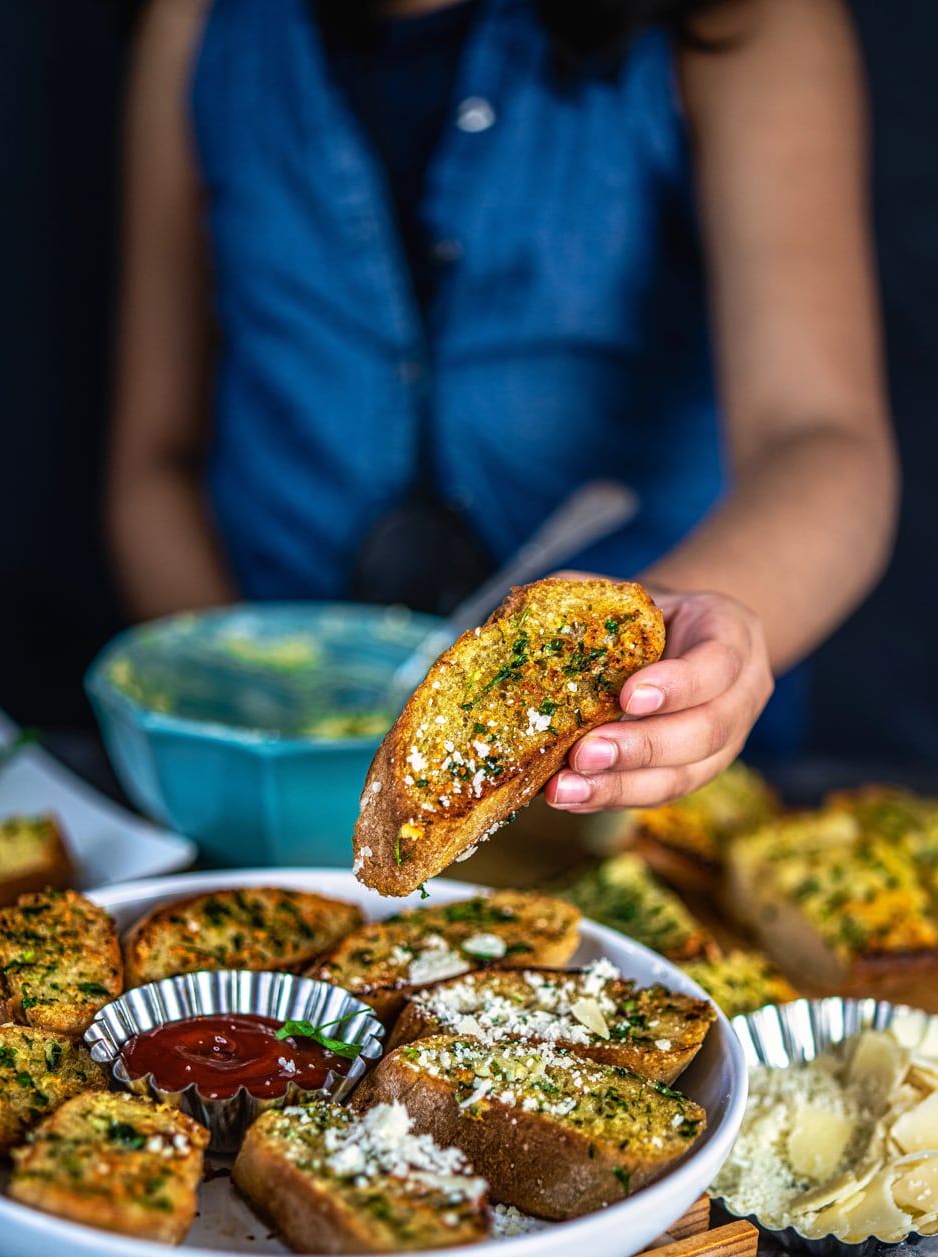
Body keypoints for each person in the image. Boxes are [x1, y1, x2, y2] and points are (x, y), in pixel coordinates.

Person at [108, 0, 898, 815]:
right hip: (259, 787)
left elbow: (823, 439)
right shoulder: (197, 23)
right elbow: (154, 465)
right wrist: (246, 713)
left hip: (634, 798)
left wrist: (669, 639)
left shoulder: (746, 23)